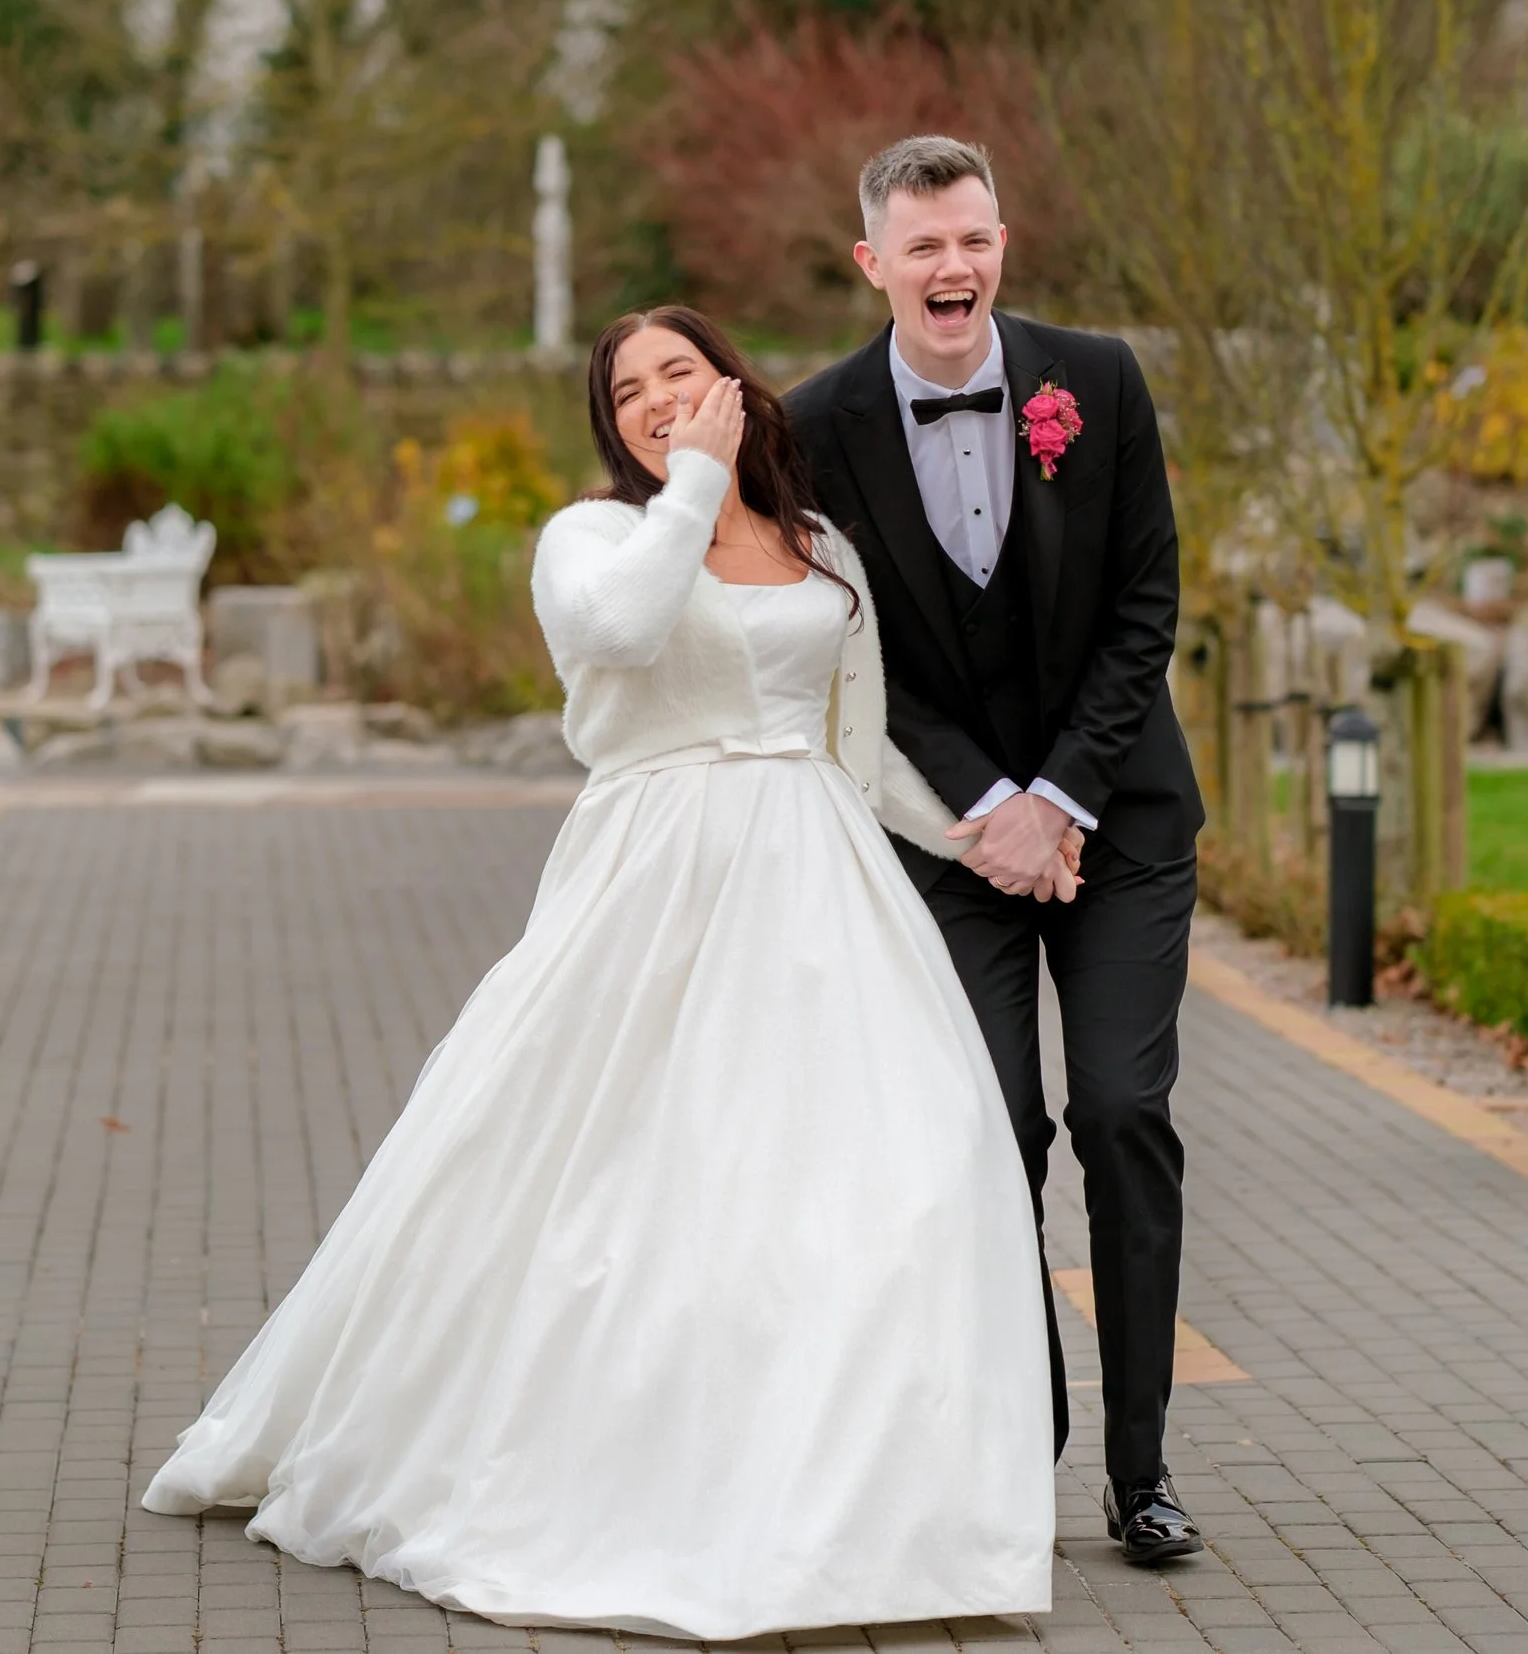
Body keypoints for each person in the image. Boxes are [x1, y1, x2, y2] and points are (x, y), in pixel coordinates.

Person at [140, 306, 1069, 1637]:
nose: (654, 399)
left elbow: (857, 755)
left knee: (880, 1178)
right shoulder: (590, 537)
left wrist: (991, 842)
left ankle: (846, 1504)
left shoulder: (822, 550)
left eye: (679, 374)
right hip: (657, 875)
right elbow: (623, 637)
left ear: (735, 384)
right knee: (611, 1174)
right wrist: (691, 483)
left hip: (821, 889)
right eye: (628, 390)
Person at [786, 136, 1210, 1565]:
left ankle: (1141, 1468)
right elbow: (854, 647)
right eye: (923, 247)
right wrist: (988, 809)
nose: (952, 268)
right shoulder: (816, 422)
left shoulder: (1096, 383)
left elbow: (1145, 603)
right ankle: (1016, 1448)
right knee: (987, 1134)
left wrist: (1061, 799)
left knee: (1118, 1114)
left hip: (1119, 824)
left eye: (972, 240)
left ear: (1002, 243)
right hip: (948, 837)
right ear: (874, 264)